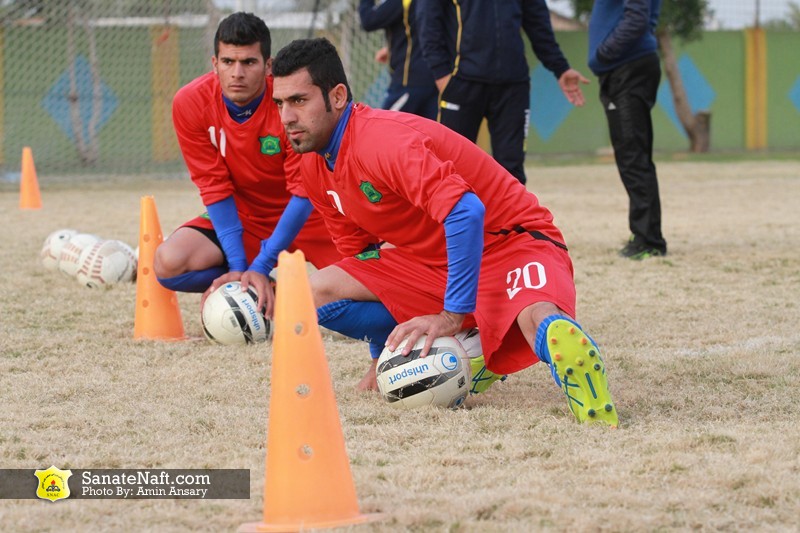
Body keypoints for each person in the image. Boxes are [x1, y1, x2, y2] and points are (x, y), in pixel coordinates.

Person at [268, 37, 618, 426]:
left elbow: (466, 213)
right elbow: (362, 257)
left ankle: (568, 373)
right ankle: (472, 346)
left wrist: (452, 315)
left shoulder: (381, 141)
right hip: (433, 262)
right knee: (310, 292)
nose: (287, 116)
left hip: (511, 242)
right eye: (279, 103)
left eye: (299, 101)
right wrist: (381, 358)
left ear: (337, 96)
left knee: (538, 317)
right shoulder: (314, 166)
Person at [153, 12, 341, 309]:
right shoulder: (190, 103)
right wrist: (240, 268)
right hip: (247, 217)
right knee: (169, 262)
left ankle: (282, 287)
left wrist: (261, 265)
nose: (237, 73)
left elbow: (304, 192)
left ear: (268, 66)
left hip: (313, 217)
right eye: (228, 62)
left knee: (368, 284)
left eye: (249, 62)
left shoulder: (290, 105)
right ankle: (267, 291)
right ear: (215, 64)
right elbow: (213, 186)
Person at [416, 0, 590, 185]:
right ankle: (455, 215)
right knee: (452, 167)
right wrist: (442, 75)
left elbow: (538, 25)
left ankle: (508, 215)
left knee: (512, 170)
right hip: (462, 83)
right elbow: (428, 23)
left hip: (513, 85)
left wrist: (561, 68)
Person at [588, 0, 667, 259]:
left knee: (633, 156)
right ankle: (646, 235)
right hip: (622, 69)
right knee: (631, 155)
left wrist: (603, 53)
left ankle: (648, 240)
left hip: (627, 69)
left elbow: (637, 18)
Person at [358, 0, 438, 120]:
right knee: (426, 134)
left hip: (409, 83)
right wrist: (392, 49)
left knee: (383, 129)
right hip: (433, 79)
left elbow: (368, 20)